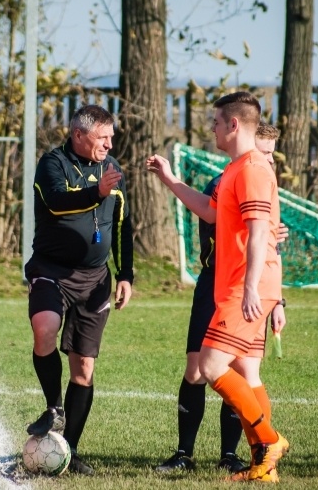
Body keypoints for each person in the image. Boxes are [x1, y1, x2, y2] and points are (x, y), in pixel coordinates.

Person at [146, 122, 286, 475]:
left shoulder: (252, 170)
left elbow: (258, 233)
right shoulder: (233, 172)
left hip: (244, 284)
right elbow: (211, 212)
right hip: (229, 282)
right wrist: (170, 180)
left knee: (212, 367)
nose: (211, 129)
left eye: (217, 122)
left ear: (235, 126)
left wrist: (259, 290)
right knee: (232, 371)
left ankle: (265, 443)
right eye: (265, 151)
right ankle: (262, 464)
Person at [25, 104, 133, 475]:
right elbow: (55, 203)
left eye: (111, 136)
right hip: (51, 270)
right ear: (79, 135)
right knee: (44, 329)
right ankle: (54, 407)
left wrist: (126, 274)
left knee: (84, 368)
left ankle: (68, 450)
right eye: (103, 137)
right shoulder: (52, 163)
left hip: (96, 278)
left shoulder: (112, 168)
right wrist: (94, 193)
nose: (109, 143)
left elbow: (122, 225)